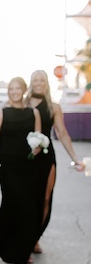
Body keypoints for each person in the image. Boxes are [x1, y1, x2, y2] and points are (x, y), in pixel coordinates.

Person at [0, 77, 42, 264]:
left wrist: (38, 147)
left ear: (24, 90)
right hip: (8, 166)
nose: (14, 92)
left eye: (18, 88)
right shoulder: (1, 113)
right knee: (12, 203)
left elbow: (38, 137)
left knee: (27, 207)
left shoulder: (34, 113)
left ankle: (21, 250)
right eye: (11, 88)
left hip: (29, 165)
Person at [26, 69, 85, 252]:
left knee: (44, 198)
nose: (39, 83)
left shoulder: (54, 107)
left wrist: (75, 158)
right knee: (26, 198)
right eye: (35, 79)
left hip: (46, 156)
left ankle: (35, 237)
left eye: (42, 80)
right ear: (31, 82)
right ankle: (23, 236)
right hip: (25, 156)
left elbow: (63, 133)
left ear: (47, 83)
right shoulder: (22, 103)